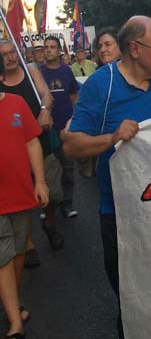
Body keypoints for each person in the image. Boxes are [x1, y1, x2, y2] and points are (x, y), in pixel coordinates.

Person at [63, 16, 151, 338]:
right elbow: (72, 146)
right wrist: (112, 138)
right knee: (134, 303)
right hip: (121, 217)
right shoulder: (101, 86)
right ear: (135, 48)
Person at [0, 53, 50, 339]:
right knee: (3, 256)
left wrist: (40, 182)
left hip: (20, 194)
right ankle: (14, 322)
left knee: (18, 252)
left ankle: (13, 300)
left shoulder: (17, 104)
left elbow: (32, 142)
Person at [0, 38, 59, 262]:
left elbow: (46, 94)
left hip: (39, 140)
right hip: (14, 150)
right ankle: (28, 242)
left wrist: (44, 111)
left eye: (12, 52)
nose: (10, 57)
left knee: (51, 192)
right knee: (21, 200)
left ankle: (49, 222)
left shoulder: (31, 70)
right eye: (4, 55)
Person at [40, 36, 80, 219]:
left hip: (65, 128)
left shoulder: (66, 71)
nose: (48, 50)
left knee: (67, 168)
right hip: (46, 130)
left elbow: (74, 97)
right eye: (46, 47)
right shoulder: (38, 73)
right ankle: (48, 207)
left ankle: (67, 204)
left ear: (58, 51)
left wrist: (76, 120)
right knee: (48, 170)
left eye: (52, 47)